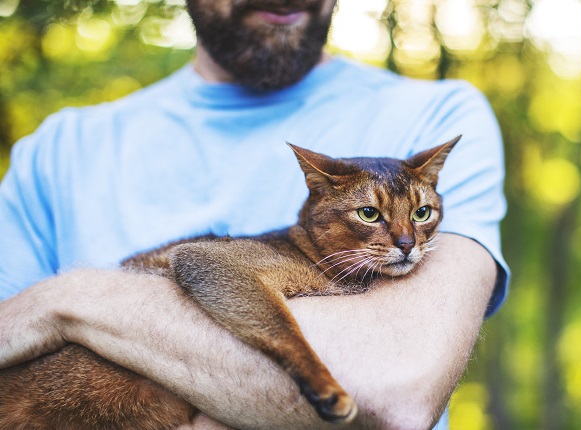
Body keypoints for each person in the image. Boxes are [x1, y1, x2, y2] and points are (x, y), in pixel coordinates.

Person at [0, 0, 509, 428]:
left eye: (418, 218)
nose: (406, 241)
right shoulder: (58, 149)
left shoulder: (442, 113)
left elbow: (390, 390)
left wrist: (67, 300)